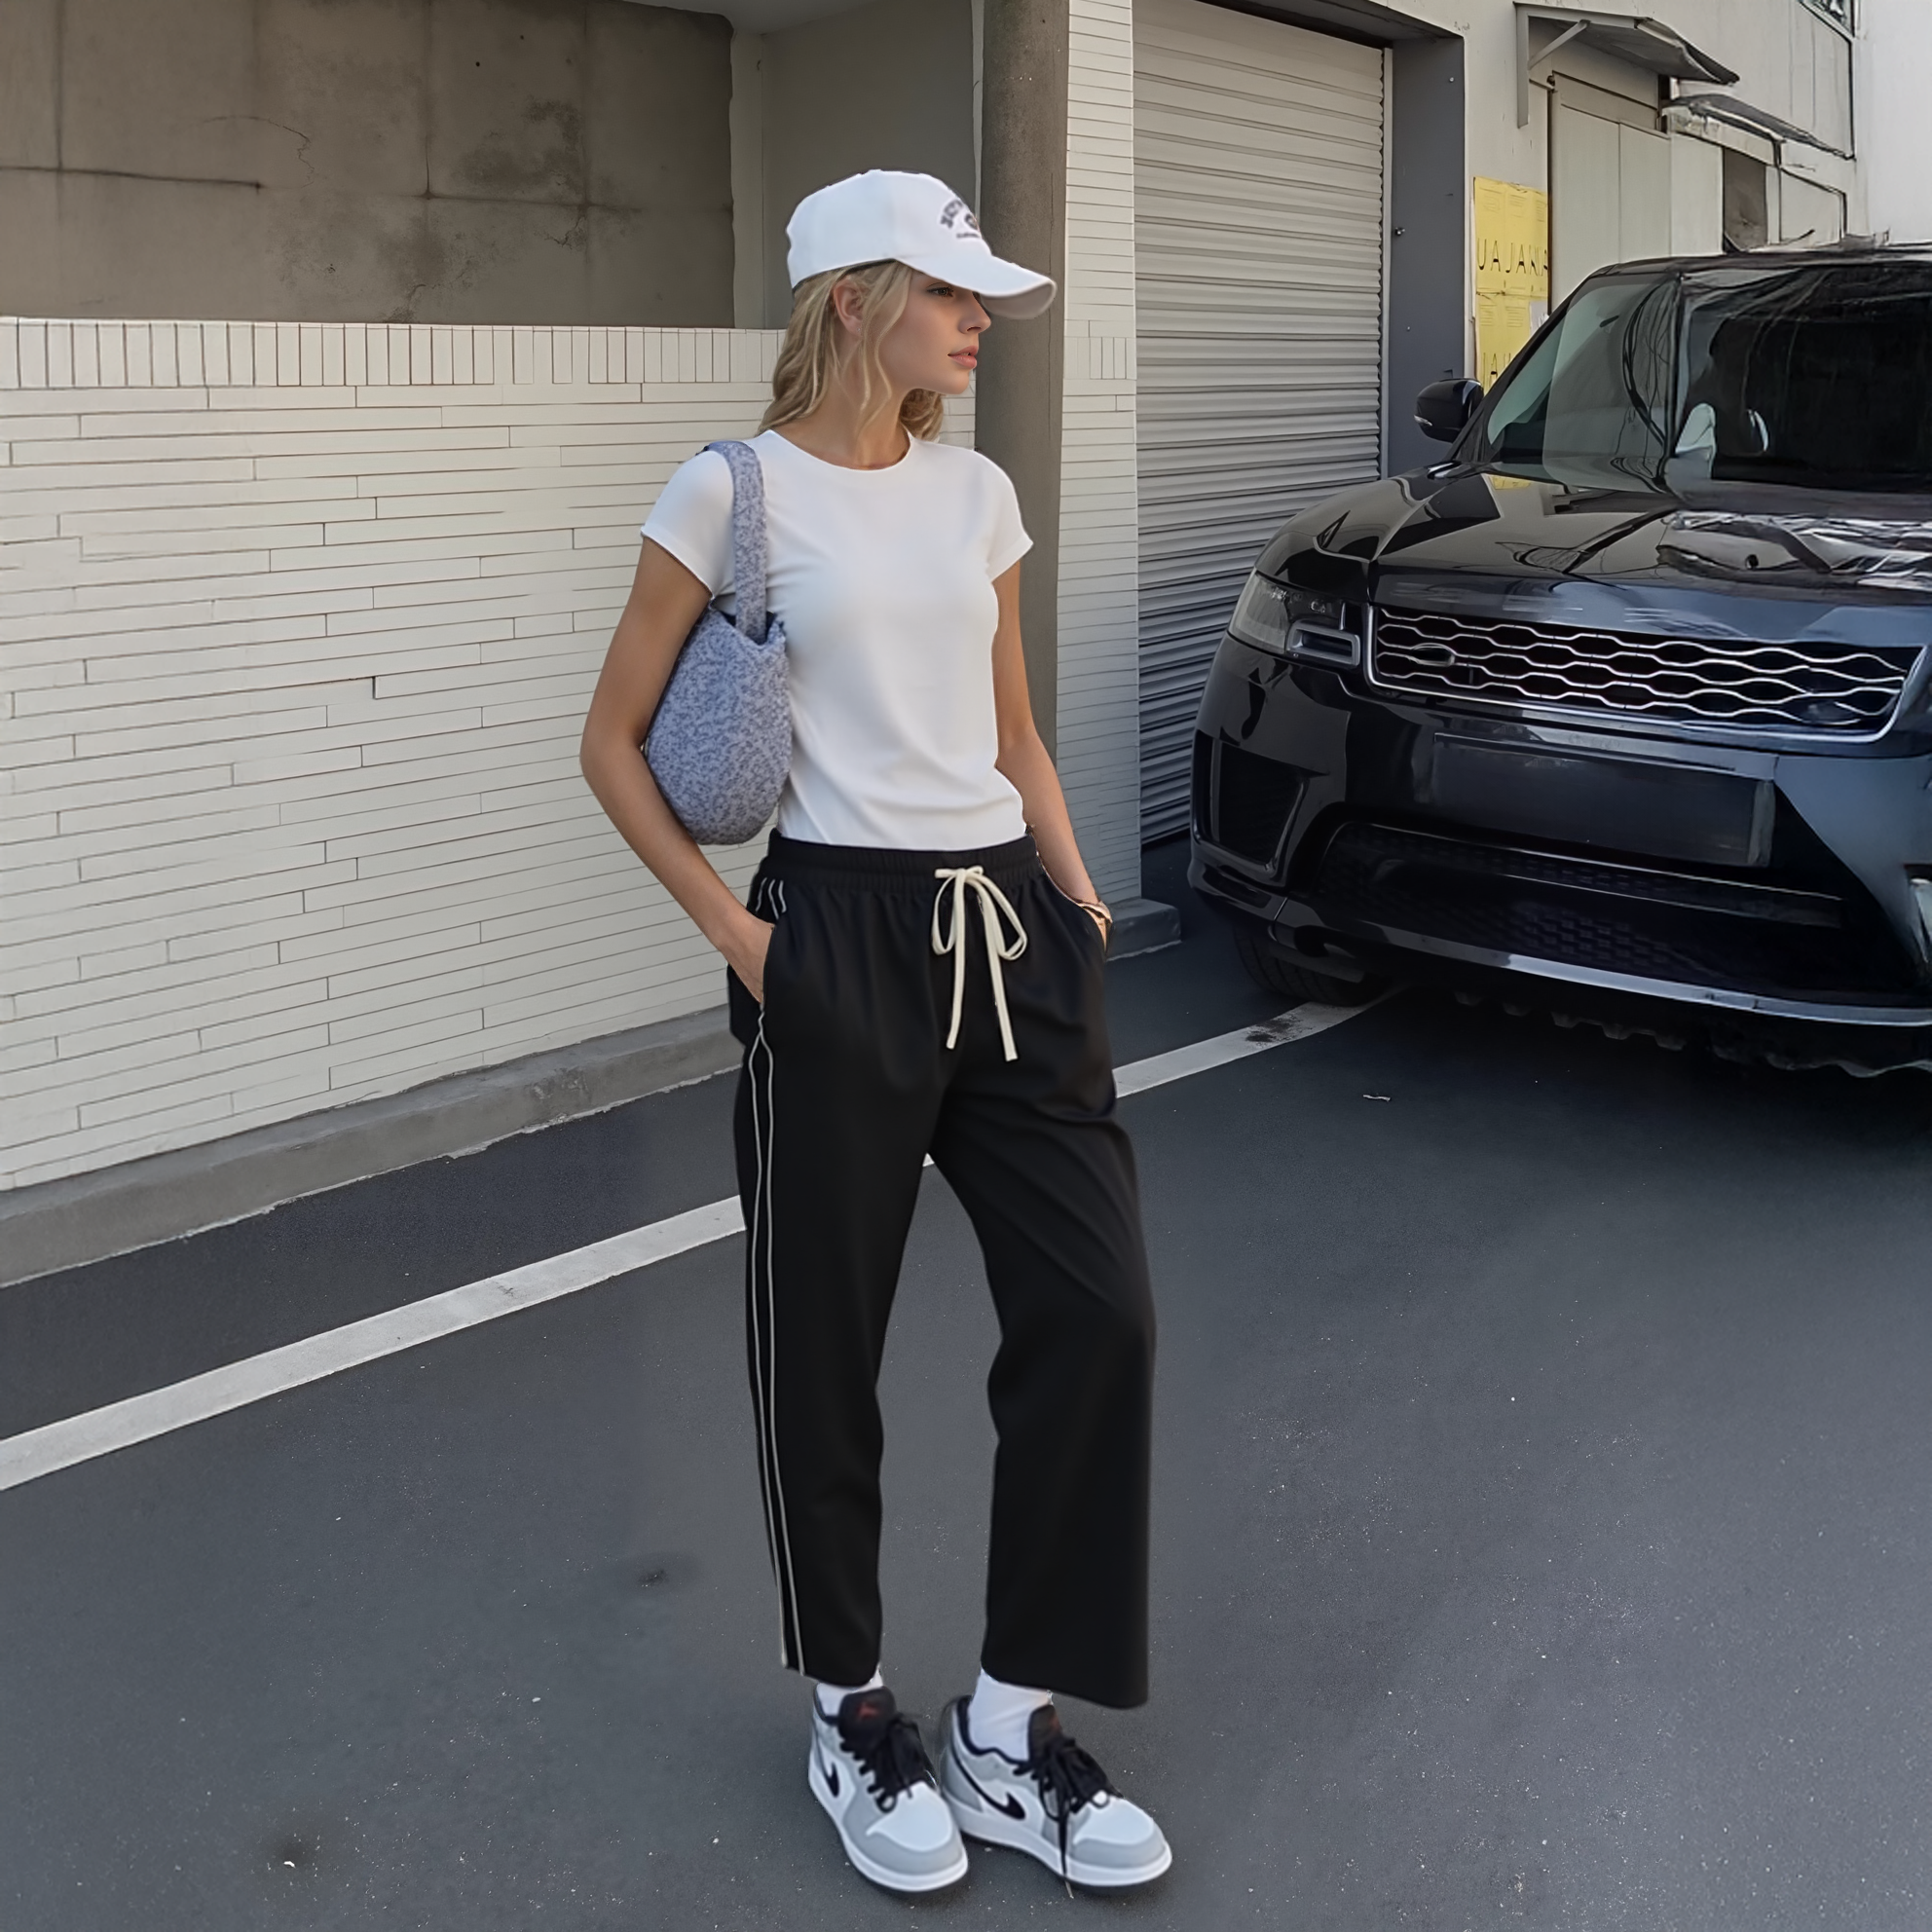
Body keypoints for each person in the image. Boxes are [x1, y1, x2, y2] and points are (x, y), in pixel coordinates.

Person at [579, 169, 1169, 1896]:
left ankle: (1007, 1727)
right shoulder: (730, 492)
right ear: (855, 298)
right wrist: (748, 945)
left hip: (1012, 934)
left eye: (982, 297)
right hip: (830, 933)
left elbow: (1019, 734)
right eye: (954, 293)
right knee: (823, 1350)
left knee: (1102, 1313)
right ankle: (852, 1710)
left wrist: (1078, 906)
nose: (981, 321)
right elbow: (612, 742)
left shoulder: (974, 492)